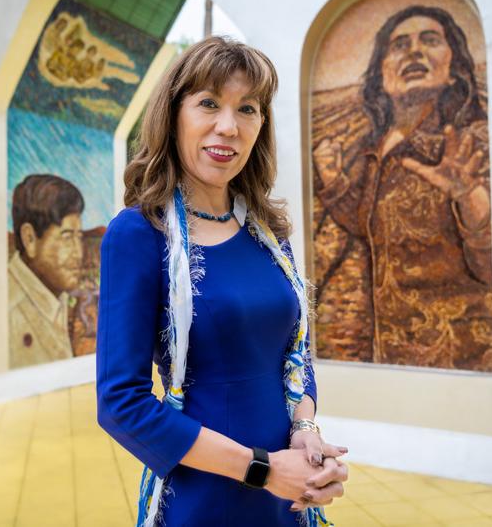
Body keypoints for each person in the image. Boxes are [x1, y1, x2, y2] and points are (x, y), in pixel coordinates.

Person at [97, 37, 348, 527]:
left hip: (287, 494)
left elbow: (293, 354)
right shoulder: (139, 233)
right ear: (173, 115)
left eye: (247, 109)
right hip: (208, 496)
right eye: (209, 103)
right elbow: (120, 403)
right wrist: (262, 469)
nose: (228, 127)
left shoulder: (267, 231)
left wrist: (305, 434)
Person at [312, 5, 492, 371]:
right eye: (399, 45)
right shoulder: (380, 147)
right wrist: (334, 184)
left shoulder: (473, 142)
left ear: (453, 67)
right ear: (381, 74)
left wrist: (468, 195)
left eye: (430, 40)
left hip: (460, 364)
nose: (414, 51)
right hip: (392, 357)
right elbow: (373, 228)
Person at [9, 174, 84, 367]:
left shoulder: (57, 297)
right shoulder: (8, 311)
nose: (78, 253)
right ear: (30, 239)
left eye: (80, 237)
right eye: (67, 237)